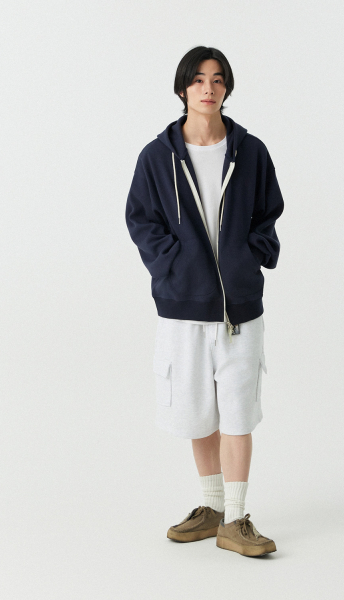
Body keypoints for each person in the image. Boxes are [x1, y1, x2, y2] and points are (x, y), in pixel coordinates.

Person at [125, 46, 284, 557]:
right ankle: (212, 507)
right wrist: (173, 266)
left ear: (226, 88)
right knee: (197, 412)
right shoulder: (157, 156)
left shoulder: (250, 151)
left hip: (240, 309)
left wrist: (250, 256)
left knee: (237, 413)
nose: (208, 88)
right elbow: (141, 220)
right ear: (182, 89)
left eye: (217, 79)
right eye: (197, 80)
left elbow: (269, 213)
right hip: (184, 307)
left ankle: (236, 520)